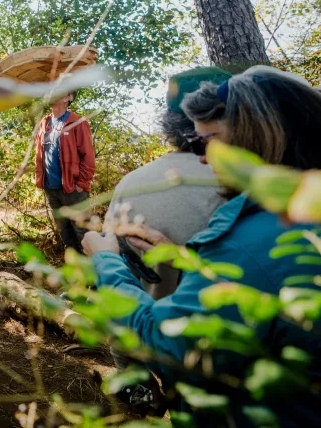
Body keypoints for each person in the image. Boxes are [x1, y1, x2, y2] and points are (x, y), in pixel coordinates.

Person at [83, 66, 321, 425]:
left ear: (251, 138)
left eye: (208, 141)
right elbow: (260, 290)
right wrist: (183, 259)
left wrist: (106, 261)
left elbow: (168, 343)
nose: (204, 159)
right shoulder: (299, 211)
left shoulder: (248, 238)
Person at [104, 69, 229, 300]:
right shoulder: (259, 186)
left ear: (170, 121)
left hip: (148, 317)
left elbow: (114, 263)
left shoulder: (131, 183)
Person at [34, 91, 95, 252]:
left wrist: (81, 184)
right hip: (51, 188)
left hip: (72, 188)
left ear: (67, 98)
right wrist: (40, 179)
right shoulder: (45, 122)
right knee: (64, 232)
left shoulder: (77, 122)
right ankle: (73, 263)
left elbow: (88, 156)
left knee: (83, 231)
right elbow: (39, 153)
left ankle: (94, 265)